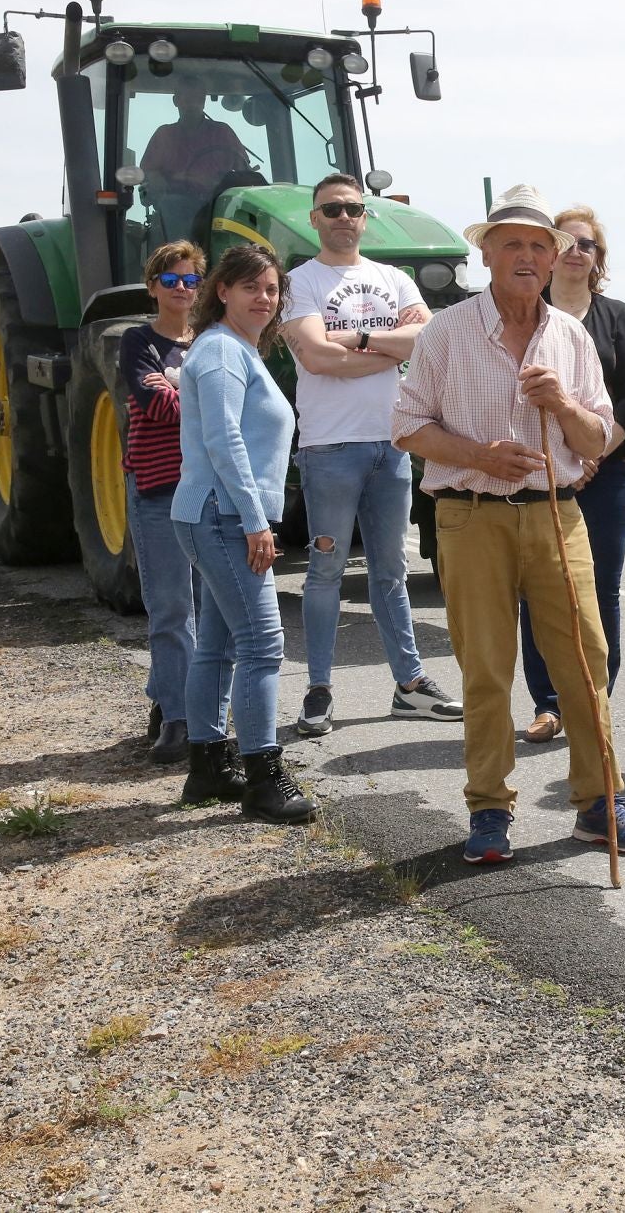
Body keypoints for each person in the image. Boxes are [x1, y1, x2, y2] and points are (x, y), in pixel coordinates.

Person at [391, 184, 625, 865]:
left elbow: (599, 437)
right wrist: (479, 456)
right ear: (485, 253)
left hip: (555, 513)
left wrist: (563, 405)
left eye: (539, 245)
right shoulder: (447, 331)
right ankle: (488, 809)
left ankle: (601, 802)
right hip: (469, 517)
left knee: (584, 660)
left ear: (554, 261)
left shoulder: (571, 337)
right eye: (511, 241)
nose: (526, 255)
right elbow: (405, 427)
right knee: (486, 670)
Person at [280, 173, 463, 737]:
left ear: (366, 217)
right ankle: (319, 691)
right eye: (331, 208)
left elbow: (429, 343)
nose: (342, 217)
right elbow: (314, 357)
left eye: (353, 208)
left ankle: (409, 686)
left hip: (393, 443)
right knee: (326, 570)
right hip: (329, 446)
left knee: (391, 572)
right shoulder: (298, 282)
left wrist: (352, 342)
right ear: (315, 219)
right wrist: (387, 346)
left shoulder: (393, 278)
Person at [169, 244, 315, 823]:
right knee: (261, 643)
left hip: (211, 511)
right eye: (251, 287)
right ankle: (263, 777)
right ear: (222, 291)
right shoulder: (224, 353)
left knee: (219, 643)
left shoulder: (229, 350)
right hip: (224, 514)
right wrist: (256, 521)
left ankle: (207, 766)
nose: (264, 298)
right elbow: (224, 441)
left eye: (273, 289)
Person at [518, 205, 625, 745]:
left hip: (609, 472)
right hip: (544, 474)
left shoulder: (614, 315)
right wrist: (570, 457)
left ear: (598, 259)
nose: (576, 252)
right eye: (566, 242)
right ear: (549, 253)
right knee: (540, 590)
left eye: (586, 245)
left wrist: (595, 450)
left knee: (600, 590)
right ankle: (548, 703)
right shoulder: (526, 313)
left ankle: (596, 697)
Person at [122, 240, 210, 763]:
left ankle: (180, 701)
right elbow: (155, 403)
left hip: (207, 490)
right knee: (172, 608)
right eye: (171, 280)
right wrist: (206, 400)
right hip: (158, 489)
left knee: (208, 607)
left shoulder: (212, 340)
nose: (181, 289)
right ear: (153, 286)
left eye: (190, 280)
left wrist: (190, 394)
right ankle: (179, 720)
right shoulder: (139, 341)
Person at [141, 78, 250, 240]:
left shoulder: (223, 133)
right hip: (178, 209)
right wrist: (163, 181)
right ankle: (180, 258)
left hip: (219, 206)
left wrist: (247, 177)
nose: (194, 104)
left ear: (204, 102)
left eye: (199, 99)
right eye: (188, 98)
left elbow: (243, 170)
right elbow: (148, 173)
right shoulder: (164, 135)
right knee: (172, 204)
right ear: (176, 101)